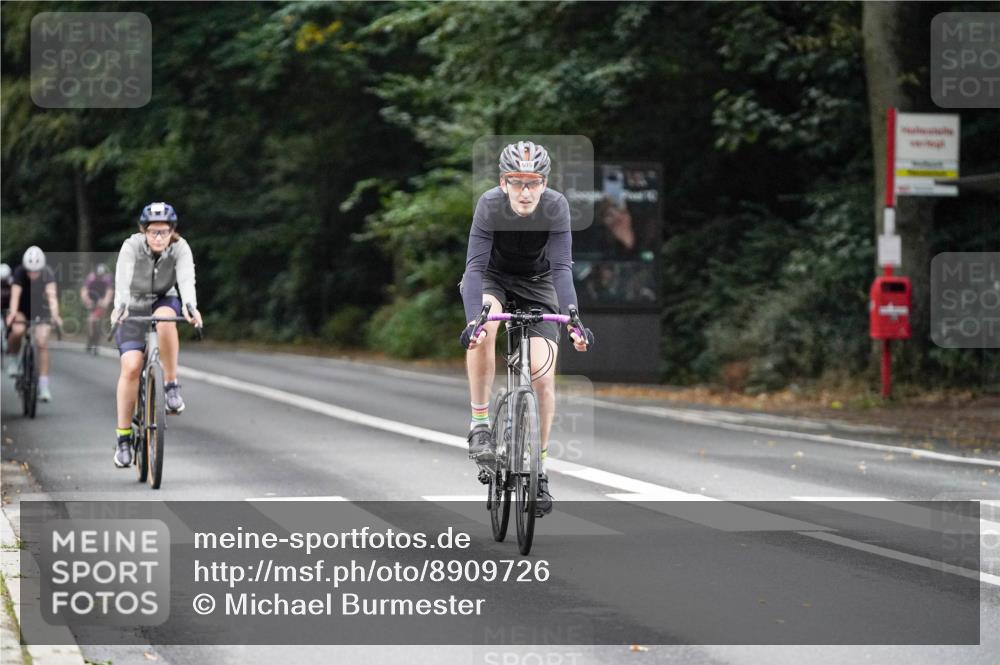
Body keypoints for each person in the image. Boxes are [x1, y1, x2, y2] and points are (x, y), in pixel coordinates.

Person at [459, 140, 594, 516]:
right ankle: (480, 423)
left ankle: (540, 469)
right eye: (516, 182)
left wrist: (573, 318)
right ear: (503, 183)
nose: (524, 191)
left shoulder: (556, 207)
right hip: (492, 277)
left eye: (532, 182)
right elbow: (474, 268)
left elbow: (562, 268)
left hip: (539, 282)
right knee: (485, 327)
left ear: (544, 184)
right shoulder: (489, 205)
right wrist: (473, 320)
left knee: (543, 378)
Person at [110, 202, 202, 468]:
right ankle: (124, 439)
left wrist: (190, 307)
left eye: (164, 231)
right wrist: (120, 307)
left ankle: (171, 385)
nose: (159, 237)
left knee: (165, 321)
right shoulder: (131, 247)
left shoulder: (180, 248)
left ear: (172, 231)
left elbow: (186, 280)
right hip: (133, 305)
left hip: (164, 299)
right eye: (153, 232)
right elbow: (122, 280)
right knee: (131, 367)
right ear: (144, 231)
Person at [5, 247, 63, 401]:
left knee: (42, 343)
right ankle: (13, 359)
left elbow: (52, 297)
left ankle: (43, 386)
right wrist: (12, 313)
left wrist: (55, 315)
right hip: (22, 308)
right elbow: (15, 296)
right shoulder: (19, 272)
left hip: (41, 310)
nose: (33, 274)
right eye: (30, 271)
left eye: (36, 271)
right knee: (18, 330)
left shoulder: (47, 273)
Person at [80, 263, 114, 353]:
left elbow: (109, 292)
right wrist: (87, 300)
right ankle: (90, 338)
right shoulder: (91, 278)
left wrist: (105, 302)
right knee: (90, 321)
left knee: (97, 320)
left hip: (101, 300)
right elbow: (84, 290)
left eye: (101, 276)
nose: (99, 278)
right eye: (98, 276)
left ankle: (97, 342)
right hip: (91, 299)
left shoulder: (107, 279)